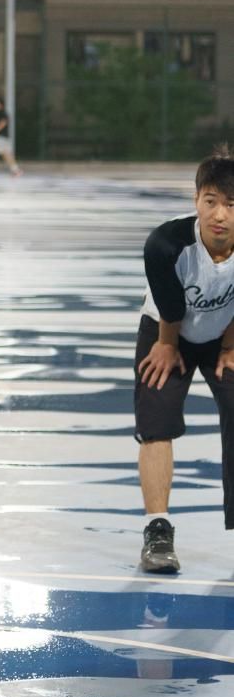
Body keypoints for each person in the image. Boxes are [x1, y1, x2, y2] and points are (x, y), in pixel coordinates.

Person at [134, 145, 234, 574]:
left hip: (224, 333)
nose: (220, 215)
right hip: (165, 331)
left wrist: (229, 348)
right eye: (210, 201)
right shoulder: (166, 244)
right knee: (156, 419)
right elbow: (171, 310)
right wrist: (166, 344)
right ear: (196, 200)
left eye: (232, 205)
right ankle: (157, 529)